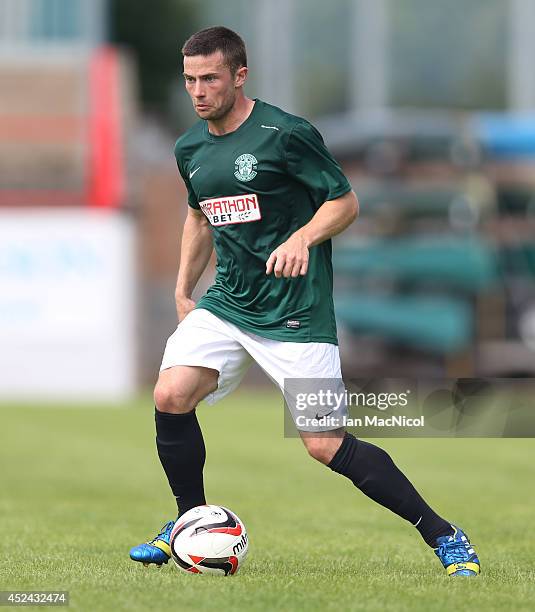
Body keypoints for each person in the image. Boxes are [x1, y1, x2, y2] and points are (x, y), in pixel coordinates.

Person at [129, 26, 480, 577]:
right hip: (227, 304)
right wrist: (181, 289)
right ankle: (188, 523)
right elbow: (199, 217)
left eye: (210, 79)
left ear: (240, 76)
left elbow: (345, 202)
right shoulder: (189, 148)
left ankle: (444, 534)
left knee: (324, 443)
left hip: (296, 315)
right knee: (171, 394)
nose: (198, 91)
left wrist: (302, 238)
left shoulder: (285, 134)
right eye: (190, 80)